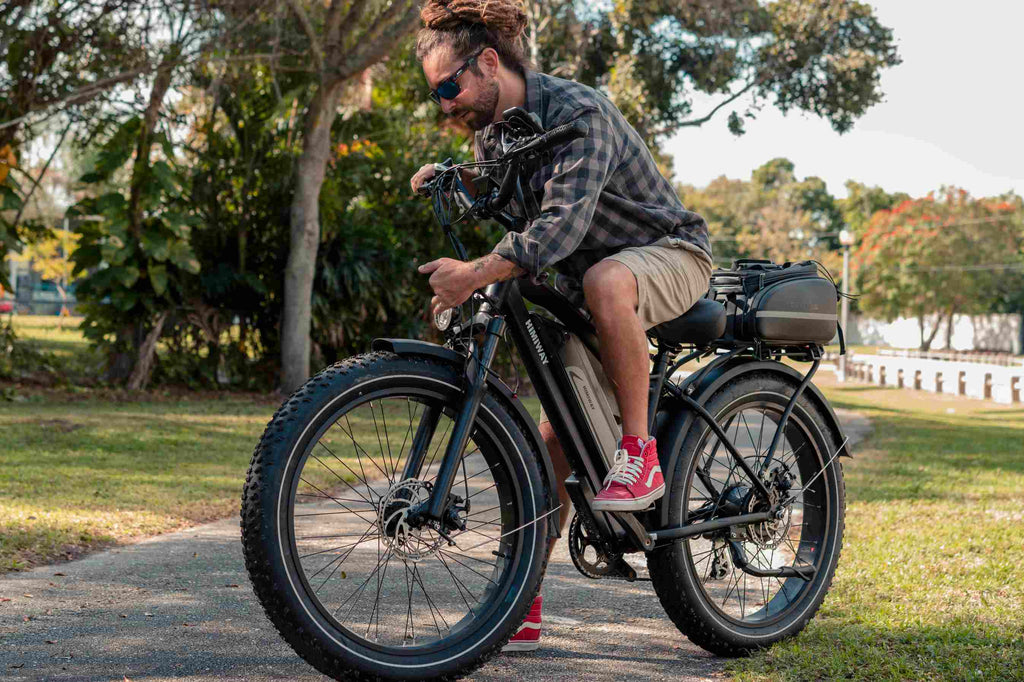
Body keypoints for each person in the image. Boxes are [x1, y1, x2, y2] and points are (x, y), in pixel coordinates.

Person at [410, 0, 713, 653]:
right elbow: (500, 204)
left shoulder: (577, 113)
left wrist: (476, 273)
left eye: (448, 86)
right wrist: (454, 180)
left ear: (488, 62)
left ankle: (641, 456)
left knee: (608, 277)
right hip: (590, 289)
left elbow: (556, 230)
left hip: (669, 257)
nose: (443, 105)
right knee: (553, 436)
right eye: (434, 93)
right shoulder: (494, 137)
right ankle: (523, 595)